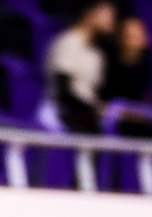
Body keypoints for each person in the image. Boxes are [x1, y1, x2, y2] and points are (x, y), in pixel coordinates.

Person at [45, 0, 115, 134]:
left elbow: (94, 94)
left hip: (88, 117)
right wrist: (95, 109)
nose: (111, 19)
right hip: (63, 117)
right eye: (107, 14)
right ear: (89, 14)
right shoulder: (69, 42)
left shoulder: (97, 53)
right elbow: (63, 91)